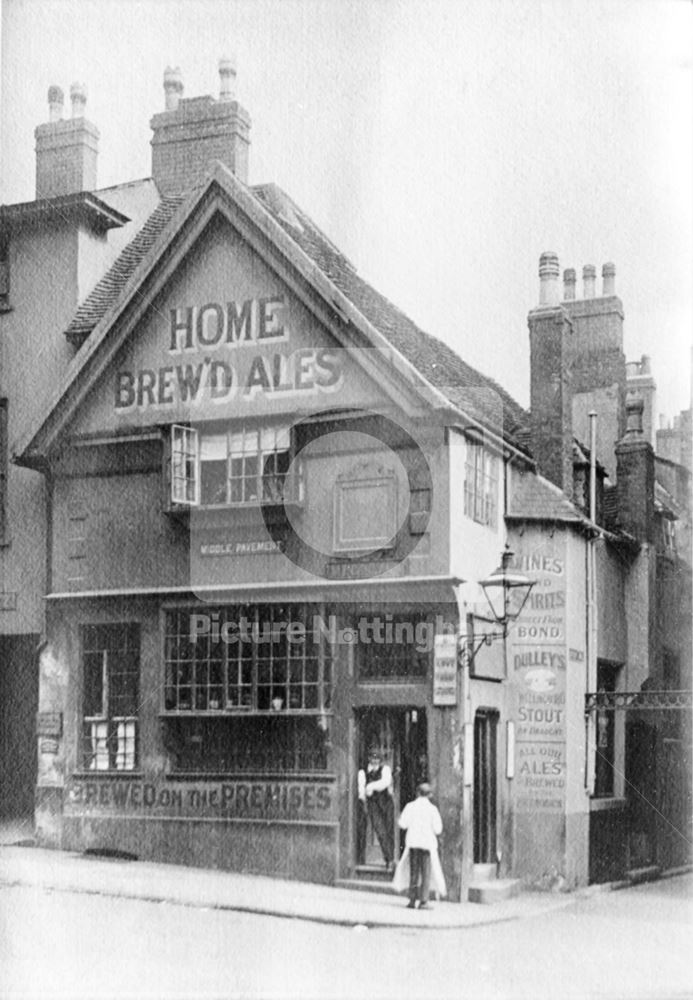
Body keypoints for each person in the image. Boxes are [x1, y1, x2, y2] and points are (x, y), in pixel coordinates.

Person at [393, 782, 446, 908]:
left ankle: (412, 900)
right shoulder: (433, 809)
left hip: (413, 843)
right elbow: (438, 829)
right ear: (430, 795)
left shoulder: (410, 806)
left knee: (414, 872)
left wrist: (398, 819)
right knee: (426, 873)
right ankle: (424, 901)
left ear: (417, 793)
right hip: (427, 845)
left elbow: (403, 824)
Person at [358, 746, 394, 869]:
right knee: (380, 831)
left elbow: (385, 783)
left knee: (389, 830)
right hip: (373, 805)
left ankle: (391, 858)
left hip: (386, 803)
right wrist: (364, 802)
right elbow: (361, 790)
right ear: (369, 759)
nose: (375, 761)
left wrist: (370, 786)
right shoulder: (363, 772)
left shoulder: (386, 769)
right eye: (372, 758)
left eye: (377, 758)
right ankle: (389, 859)